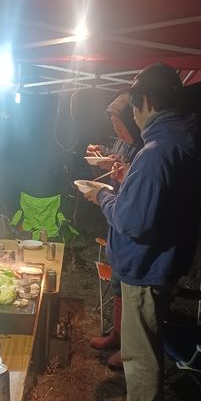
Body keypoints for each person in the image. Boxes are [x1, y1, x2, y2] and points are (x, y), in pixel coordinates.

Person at [83, 63, 201, 401]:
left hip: (147, 265)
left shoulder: (156, 151)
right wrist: (123, 183)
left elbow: (133, 220)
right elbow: (152, 202)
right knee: (141, 345)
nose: (133, 115)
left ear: (146, 101)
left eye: (134, 106)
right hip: (160, 261)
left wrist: (101, 196)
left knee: (140, 352)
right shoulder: (177, 141)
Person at [86, 92, 143, 369]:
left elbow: (133, 185)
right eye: (113, 124)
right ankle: (117, 336)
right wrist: (103, 156)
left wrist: (117, 173)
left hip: (128, 222)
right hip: (116, 220)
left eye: (119, 124)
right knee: (118, 282)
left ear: (132, 121)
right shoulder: (124, 142)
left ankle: (129, 346)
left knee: (130, 290)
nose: (116, 129)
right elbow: (117, 160)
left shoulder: (144, 150)